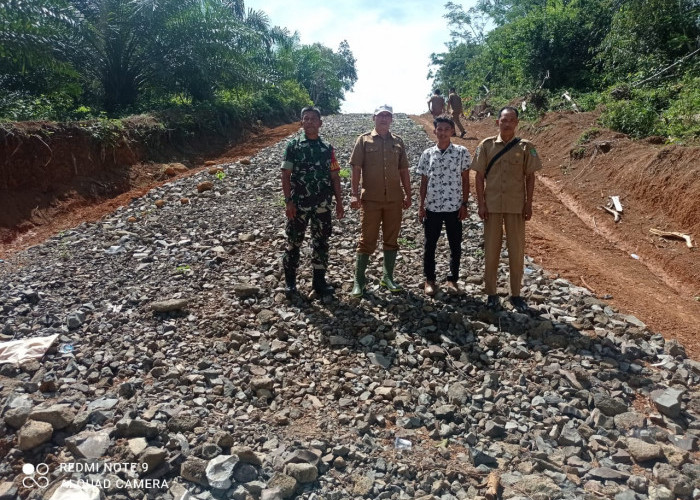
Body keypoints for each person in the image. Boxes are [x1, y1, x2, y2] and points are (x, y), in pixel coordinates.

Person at [472, 106, 542, 312]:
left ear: (517, 123)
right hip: (492, 206)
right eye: (504, 120)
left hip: (516, 207)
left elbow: (530, 177)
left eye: (511, 120)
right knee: (491, 250)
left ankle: (516, 294)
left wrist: (529, 204)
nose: (507, 123)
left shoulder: (526, 147)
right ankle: (491, 293)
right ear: (497, 122)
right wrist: (481, 203)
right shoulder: (485, 145)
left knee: (516, 251)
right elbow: (478, 176)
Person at [349, 104, 412, 297]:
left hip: (394, 199)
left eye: (387, 115)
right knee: (367, 240)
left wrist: (408, 194)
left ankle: (388, 277)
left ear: (391, 119)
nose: (384, 119)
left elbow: (403, 170)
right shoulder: (364, 140)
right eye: (380, 115)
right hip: (371, 200)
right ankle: (359, 282)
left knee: (391, 239)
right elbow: (356, 168)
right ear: (373, 118)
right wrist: (354, 193)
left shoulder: (398, 142)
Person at [281, 106, 344, 296]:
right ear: (301, 123)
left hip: (322, 205)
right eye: (305, 118)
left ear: (320, 123)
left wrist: (339, 202)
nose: (309, 122)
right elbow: (286, 175)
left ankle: (319, 282)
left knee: (321, 243)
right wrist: (288, 201)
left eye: (313, 119)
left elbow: (335, 176)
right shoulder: (293, 146)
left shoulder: (327, 148)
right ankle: (290, 283)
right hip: (299, 204)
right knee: (293, 242)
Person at [417, 115, 472, 296]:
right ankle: (430, 279)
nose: (442, 133)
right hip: (432, 207)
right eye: (439, 129)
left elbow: (465, 180)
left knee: (455, 245)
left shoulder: (462, 152)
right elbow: (423, 182)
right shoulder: (427, 154)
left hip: (454, 207)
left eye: (446, 129)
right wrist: (421, 206)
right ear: (434, 131)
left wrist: (464, 204)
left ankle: (452, 279)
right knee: (429, 245)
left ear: (452, 131)